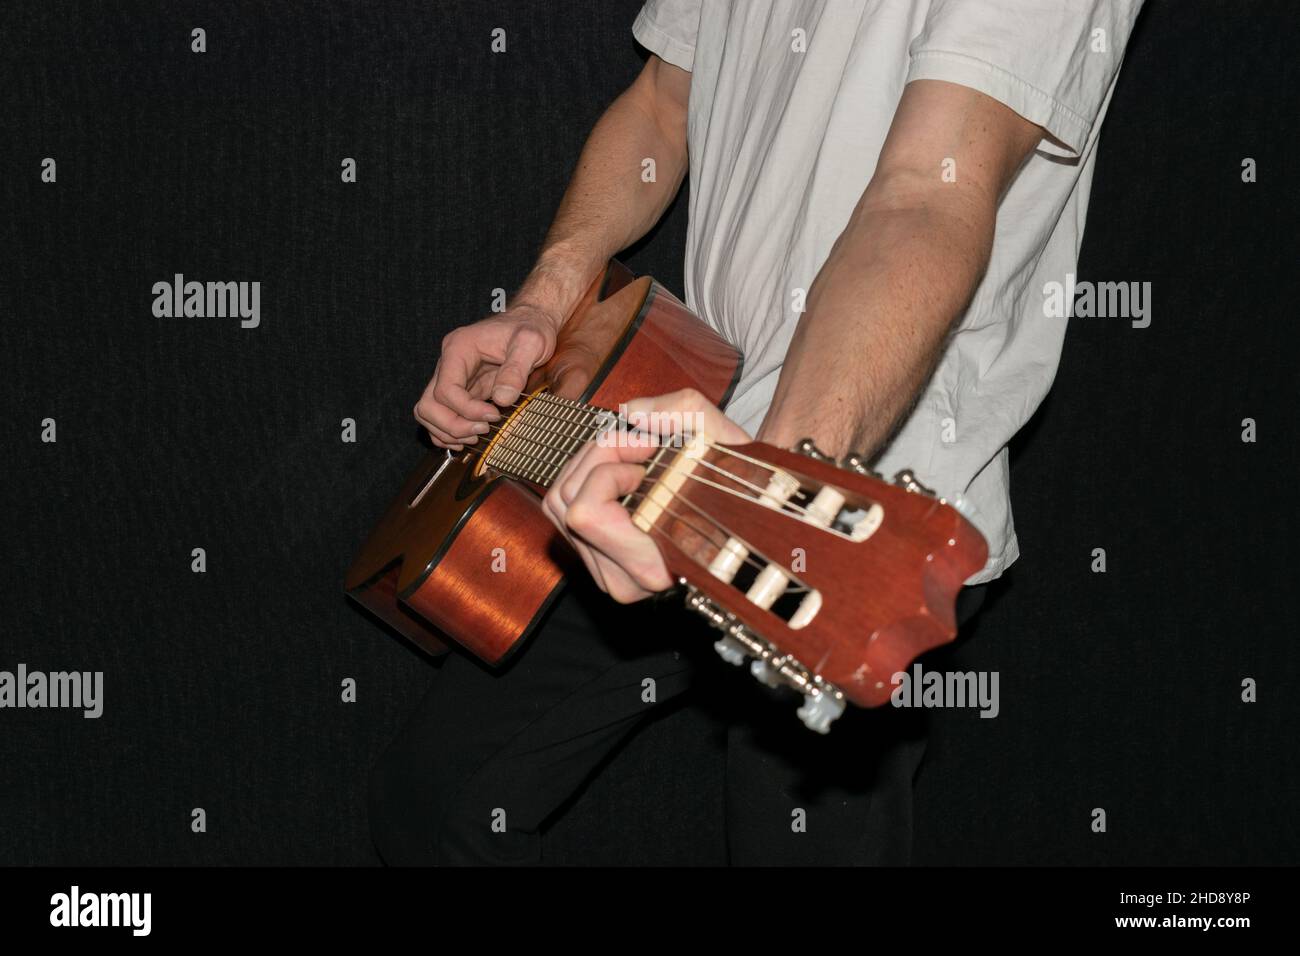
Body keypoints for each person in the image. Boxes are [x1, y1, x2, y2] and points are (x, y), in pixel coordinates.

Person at [369, 0, 1143, 865]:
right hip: (662, 423)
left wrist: (773, 492)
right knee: (437, 804)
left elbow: (928, 191)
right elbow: (662, 103)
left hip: (850, 499)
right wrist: (545, 305)